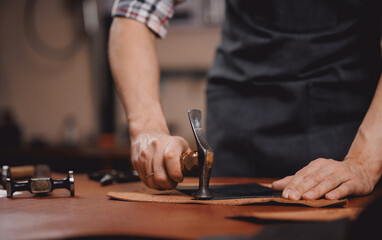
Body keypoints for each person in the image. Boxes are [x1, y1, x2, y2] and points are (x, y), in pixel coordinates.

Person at [108, 0, 382, 201]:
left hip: (355, 126)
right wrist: (146, 127)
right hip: (239, 123)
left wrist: (363, 163)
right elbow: (135, 13)